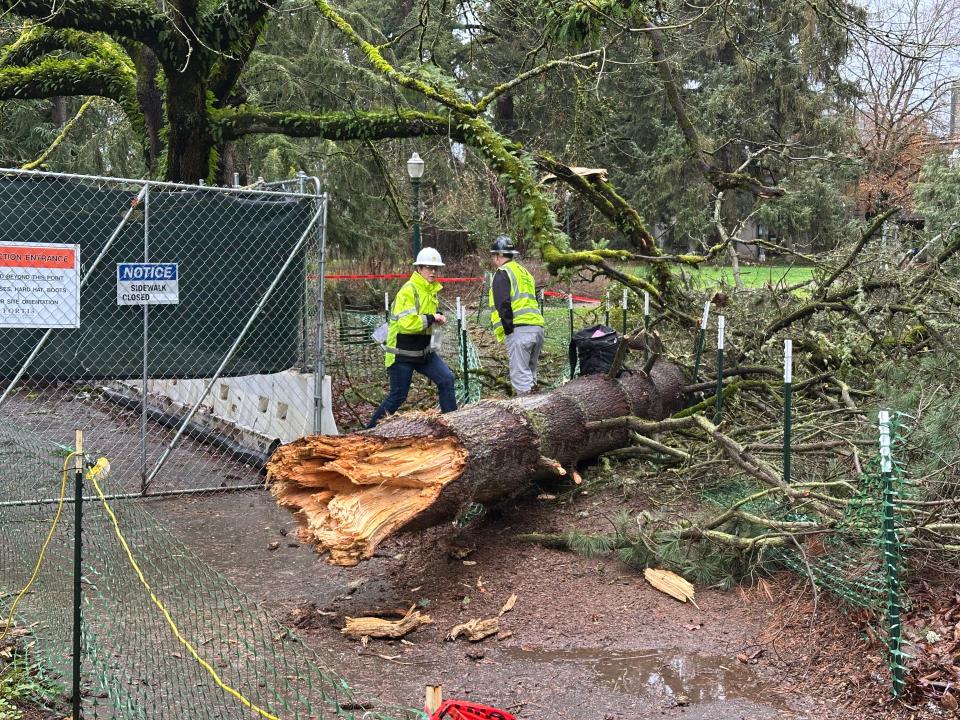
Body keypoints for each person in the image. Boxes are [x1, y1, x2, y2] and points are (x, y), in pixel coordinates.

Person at [367, 247, 457, 428]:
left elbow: (424, 316)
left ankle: (454, 426)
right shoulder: (408, 291)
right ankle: (368, 434)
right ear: (419, 269)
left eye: (435, 268)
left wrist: (435, 316)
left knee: (446, 379)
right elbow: (407, 323)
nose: (433, 272)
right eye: (428, 267)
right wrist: (432, 318)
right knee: (398, 396)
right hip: (401, 355)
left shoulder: (430, 291)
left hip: (423, 353)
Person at [488, 235, 545, 395]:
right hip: (537, 328)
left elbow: (503, 303)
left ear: (498, 256)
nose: (494, 260)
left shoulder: (502, 272)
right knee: (530, 375)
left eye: (494, 256)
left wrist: (508, 329)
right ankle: (538, 408)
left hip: (519, 330)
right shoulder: (525, 273)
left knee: (520, 378)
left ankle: (529, 414)